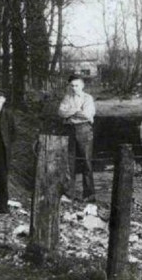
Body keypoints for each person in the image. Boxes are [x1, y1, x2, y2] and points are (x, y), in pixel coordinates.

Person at [57, 74, 96, 202]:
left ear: (82, 85)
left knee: (86, 162)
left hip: (84, 129)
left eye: (77, 85)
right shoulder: (67, 97)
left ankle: (89, 195)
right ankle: (69, 194)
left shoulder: (88, 98)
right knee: (69, 162)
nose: (74, 88)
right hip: (69, 130)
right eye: (72, 86)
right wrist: (76, 110)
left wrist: (70, 113)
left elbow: (87, 114)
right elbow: (61, 112)